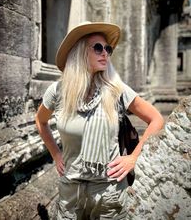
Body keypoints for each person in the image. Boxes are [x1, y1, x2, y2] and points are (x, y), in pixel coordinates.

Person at [35, 21, 164, 219]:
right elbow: (41, 121)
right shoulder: (58, 91)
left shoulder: (116, 90)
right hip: (70, 191)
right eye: (98, 48)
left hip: (109, 193)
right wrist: (56, 154)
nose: (105, 53)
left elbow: (156, 119)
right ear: (80, 52)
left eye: (108, 48)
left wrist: (133, 158)